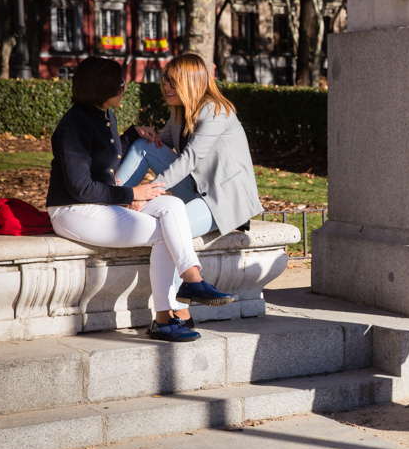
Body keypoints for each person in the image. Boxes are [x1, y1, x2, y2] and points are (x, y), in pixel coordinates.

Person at [46, 56, 234, 343]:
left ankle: (191, 279)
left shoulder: (104, 114)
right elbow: (80, 188)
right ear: (100, 87)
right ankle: (164, 316)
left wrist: (132, 134)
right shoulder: (73, 126)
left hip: (100, 205)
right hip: (73, 211)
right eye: (119, 83)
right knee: (163, 234)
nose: (124, 86)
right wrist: (131, 194)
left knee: (173, 206)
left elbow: (105, 157)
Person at [114, 53, 263, 328]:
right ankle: (111, 198)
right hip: (198, 190)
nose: (166, 87)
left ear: (190, 82)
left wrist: (148, 191)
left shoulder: (217, 111)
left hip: (222, 200)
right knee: (144, 146)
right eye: (165, 81)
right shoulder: (180, 112)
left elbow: (189, 159)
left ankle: (176, 312)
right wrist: (138, 134)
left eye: (172, 81)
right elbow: (159, 145)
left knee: (169, 229)